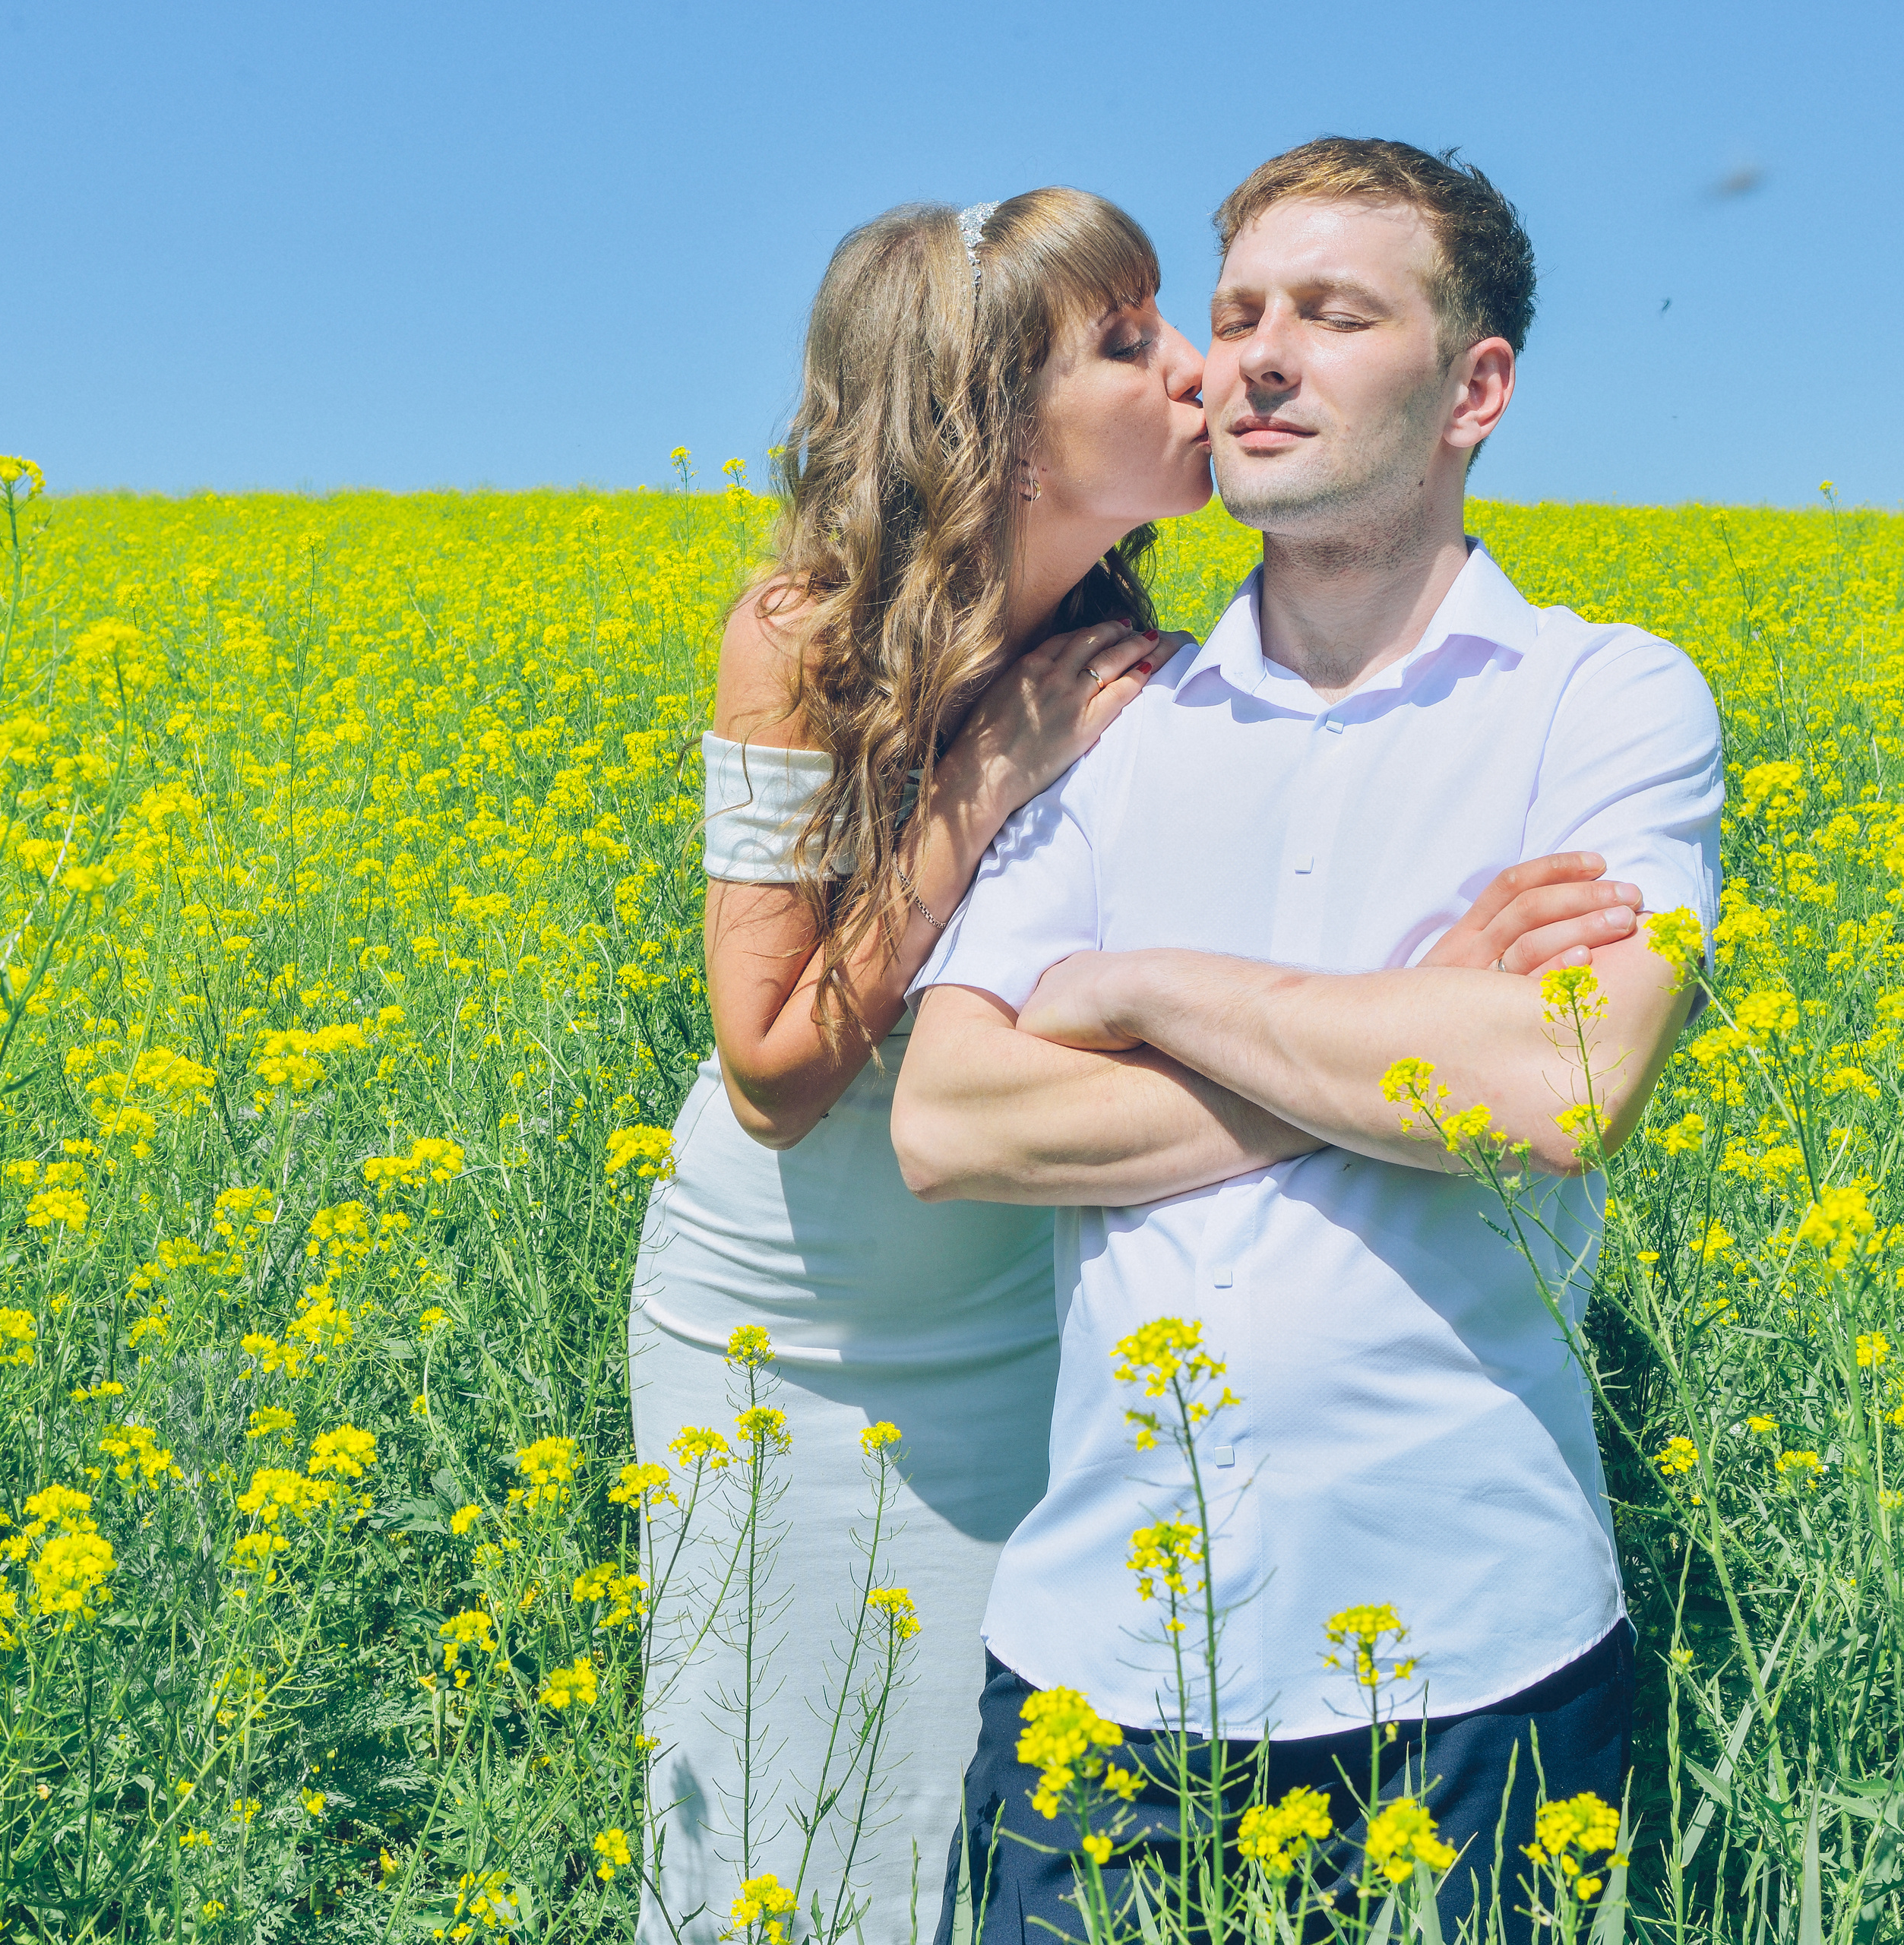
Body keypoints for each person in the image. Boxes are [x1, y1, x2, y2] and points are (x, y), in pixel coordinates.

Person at [631, 187, 1650, 1944]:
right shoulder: (801, 634)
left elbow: (1244, 1008)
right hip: (789, 1303)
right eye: (1128, 342)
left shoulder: (1142, 668)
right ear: (991, 423)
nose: (1200, 369)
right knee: (778, 1810)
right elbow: (772, 1066)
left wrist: (1386, 1017)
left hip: (1029, 1272)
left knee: (955, 1799)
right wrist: (989, 779)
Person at [893, 139, 1724, 1943]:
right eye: (1241, 310)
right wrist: (1404, 1011)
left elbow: (1558, 1085)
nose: (1255, 357)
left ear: (1471, 389)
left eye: (1333, 314)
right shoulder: (1107, 717)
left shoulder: (1600, 698)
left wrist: (1138, 988)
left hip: (1478, 1661)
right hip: (1098, 1666)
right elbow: (950, 1119)